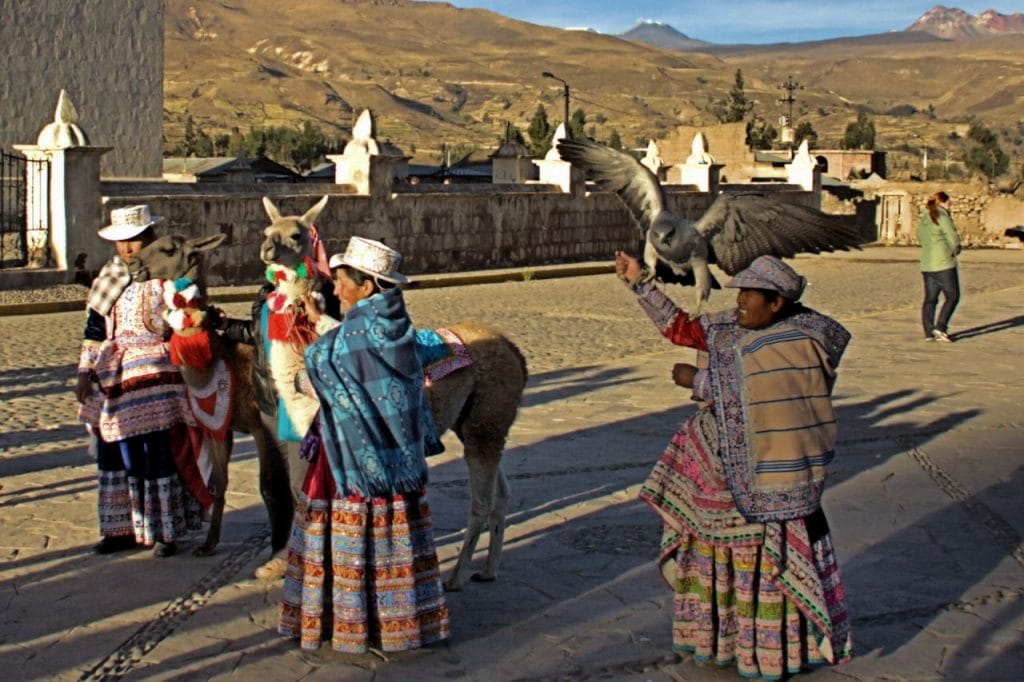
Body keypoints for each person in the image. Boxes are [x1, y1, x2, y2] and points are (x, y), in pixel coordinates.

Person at [616, 250, 853, 679]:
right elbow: (683, 330)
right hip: (720, 479)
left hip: (773, 475)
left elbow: (768, 395)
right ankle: (720, 640)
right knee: (716, 557)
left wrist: (699, 380)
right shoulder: (734, 327)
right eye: (739, 292)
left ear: (777, 302)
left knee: (762, 563)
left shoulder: (804, 339)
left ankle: (772, 650)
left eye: (748, 294)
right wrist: (640, 283)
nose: (739, 301)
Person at [278, 236, 449, 653]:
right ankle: (399, 622)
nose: (335, 290)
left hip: (350, 463)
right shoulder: (398, 330)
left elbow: (312, 375)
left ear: (368, 287)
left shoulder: (349, 340)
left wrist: (303, 366)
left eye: (341, 282)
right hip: (396, 465)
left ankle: (347, 621)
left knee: (345, 532)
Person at [75, 205, 204, 557]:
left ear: (148, 239)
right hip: (113, 368)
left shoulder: (163, 276)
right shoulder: (110, 276)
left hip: (154, 370)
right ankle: (120, 528)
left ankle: (164, 530)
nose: (127, 249)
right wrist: (85, 371)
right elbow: (95, 327)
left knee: (155, 450)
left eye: (133, 241)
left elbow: (181, 315)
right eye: (121, 243)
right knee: (112, 449)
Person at [217, 261, 340, 580]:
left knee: (303, 483)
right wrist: (221, 323)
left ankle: (311, 554)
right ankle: (282, 548)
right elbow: (255, 336)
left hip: (302, 402)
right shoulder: (268, 297)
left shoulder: (320, 294)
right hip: (270, 400)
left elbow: (334, 336)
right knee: (272, 482)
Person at [918, 191, 961, 342]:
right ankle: (940, 327)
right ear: (942, 203)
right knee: (953, 296)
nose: (950, 207)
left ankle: (928, 331)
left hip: (927, 264)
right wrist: (955, 250)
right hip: (943, 263)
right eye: (949, 203)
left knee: (930, 298)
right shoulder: (942, 216)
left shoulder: (924, 218)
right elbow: (953, 237)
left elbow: (919, 237)